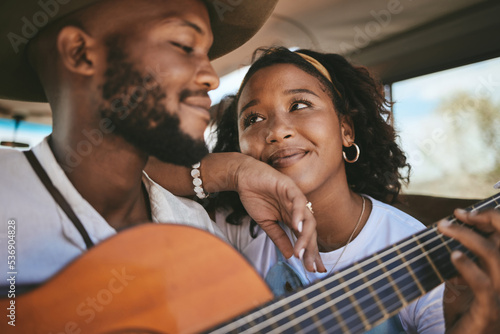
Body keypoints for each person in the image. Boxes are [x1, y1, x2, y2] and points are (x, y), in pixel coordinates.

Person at [0, 1, 326, 330]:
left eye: (207, 54)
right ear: (80, 53)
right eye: (184, 45)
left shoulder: (195, 232)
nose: (211, 78)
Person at [147, 47, 500, 333]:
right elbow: (130, 172)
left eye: (299, 106)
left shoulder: (415, 250)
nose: (277, 131)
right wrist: (232, 171)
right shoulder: (239, 227)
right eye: (253, 119)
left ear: (346, 130)